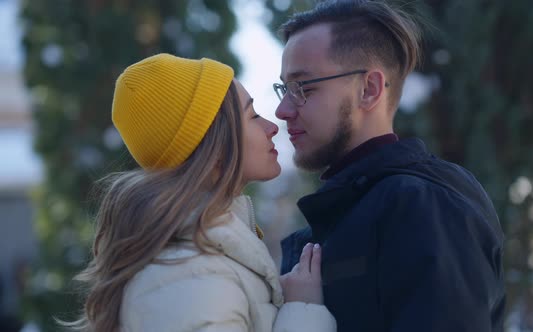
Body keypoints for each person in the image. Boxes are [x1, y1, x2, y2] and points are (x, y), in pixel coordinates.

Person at [273, 1, 505, 331]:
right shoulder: (343, 212)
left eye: (304, 88)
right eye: (284, 88)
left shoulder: (424, 204)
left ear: (369, 90)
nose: (282, 110)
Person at [66, 53, 336, 332]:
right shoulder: (191, 277)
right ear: (214, 142)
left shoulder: (200, 264)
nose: (270, 127)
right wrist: (303, 310)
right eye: (252, 115)